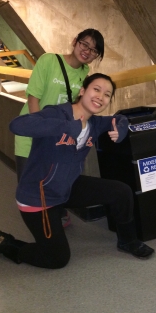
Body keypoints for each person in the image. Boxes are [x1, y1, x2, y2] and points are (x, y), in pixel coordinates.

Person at [0, 74, 155, 268]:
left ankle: (128, 241)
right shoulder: (56, 113)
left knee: (122, 192)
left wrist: (121, 130)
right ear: (83, 91)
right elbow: (16, 125)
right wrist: (68, 127)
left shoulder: (95, 123)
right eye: (96, 89)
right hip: (38, 197)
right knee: (57, 259)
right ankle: (9, 245)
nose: (101, 96)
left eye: (107, 94)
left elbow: (120, 118)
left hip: (66, 188)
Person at [15, 28, 104, 227]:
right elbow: (33, 98)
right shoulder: (49, 60)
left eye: (94, 50)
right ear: (75, 41)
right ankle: (39, 225)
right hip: (33, 132)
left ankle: (54, 218)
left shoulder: (85, 74)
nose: (87, 51)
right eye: (84, 44)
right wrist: (40, 132)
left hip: (58, 137)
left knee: (55, 179)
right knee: (28, 182)